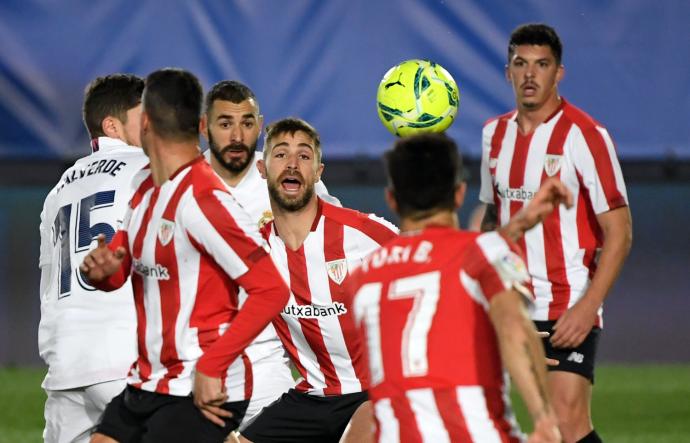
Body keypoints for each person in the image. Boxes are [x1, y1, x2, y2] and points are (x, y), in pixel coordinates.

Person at [79, 68, 291, 443]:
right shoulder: (143, 184)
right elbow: (123, 264)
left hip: (205, 385)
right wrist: (106, 270)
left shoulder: (203, 199)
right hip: (150, 381)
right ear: (198, 125)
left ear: (144, 122)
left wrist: (212, 366)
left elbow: (272, 290)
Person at [347, 133, 567, 442]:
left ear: (392, 199)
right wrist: (545, 420)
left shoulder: (363, 278)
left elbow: (434, 267)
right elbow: (513, 325)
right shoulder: (486, 251)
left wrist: (515, 227)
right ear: (460, 193)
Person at [480, 23, 632, 443]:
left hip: (567, 304)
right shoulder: (493, 134)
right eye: (521, 64)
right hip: (510, 305)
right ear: (507, 71)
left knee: (567, 422)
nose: (530, 74)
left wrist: (589, 307)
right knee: (509, 425)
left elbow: (619, 231)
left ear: (558, 73)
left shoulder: (585, 136)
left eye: (542, 65)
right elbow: (494, 216)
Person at [236, 117, 398, 443]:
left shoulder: (364, 233)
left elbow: (434, 269)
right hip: (312, 397)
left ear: (318, 172)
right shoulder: (253, 253)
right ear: (262, 169)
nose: (293, 164)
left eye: (304, 156)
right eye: (281, 155)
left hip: (378, 394)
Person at [199, 80, 339, 424]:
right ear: (204, 127)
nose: (237, 135)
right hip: (196, 362)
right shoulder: (180, 182)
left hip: (266, 360)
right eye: (225, 123)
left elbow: (333, 241)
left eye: (247, 123)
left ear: (259, 126)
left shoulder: (285, 172)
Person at [38, 73, 148, 443]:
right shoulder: (146, 169)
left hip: (66, 363)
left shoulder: (57, 191)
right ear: (112, 125)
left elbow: (49, 284)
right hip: (122, 357)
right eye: (143, 114)